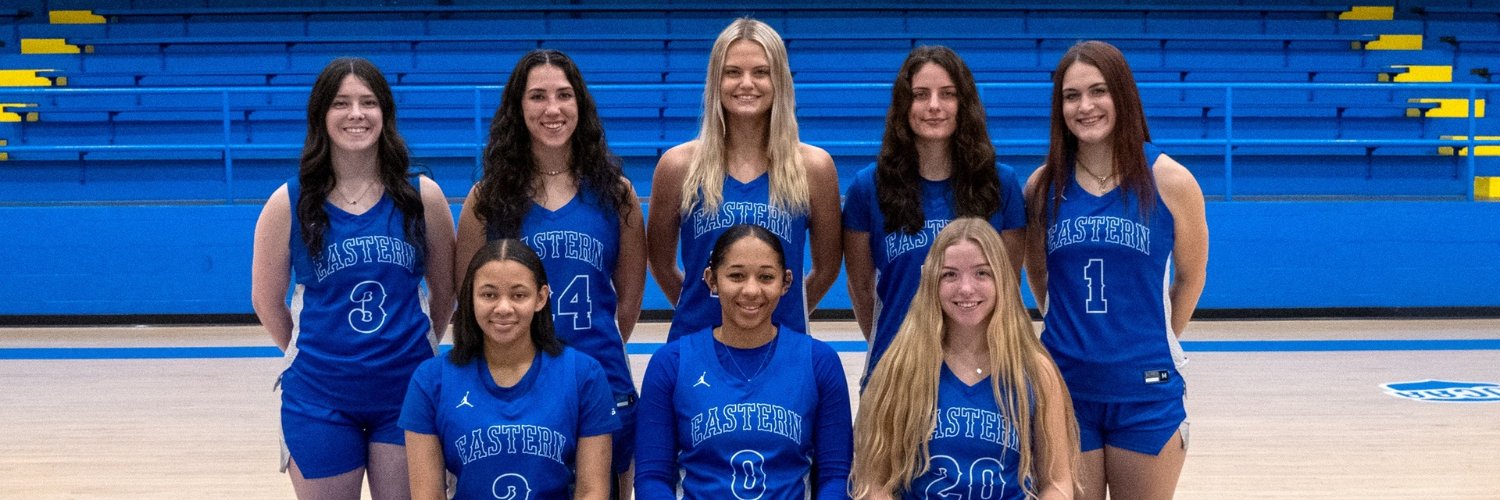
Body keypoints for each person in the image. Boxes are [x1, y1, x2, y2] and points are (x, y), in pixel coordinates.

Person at [250, 57, 456, 499]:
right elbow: (267, 302)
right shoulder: (288, 202)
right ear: (321, 115)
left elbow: (446, 292)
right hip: (318, 396)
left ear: (385, 113)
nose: (356, 114)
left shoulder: (424, 197)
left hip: (406, 389)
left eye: (368, 102)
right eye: (341, 103)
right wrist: (311, 353)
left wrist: (418, 345)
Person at [453, 48, 646, 496]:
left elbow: (629, 301)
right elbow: (469, 305)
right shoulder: (487, 199)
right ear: (518, 108)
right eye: (537, 96)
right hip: (513, 384)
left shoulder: (617, 195)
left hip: (601, 377)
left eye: (563, 95)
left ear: (581, 104)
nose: (552, 109)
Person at [1023, 40, 1209, 500]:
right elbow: (1039, 275)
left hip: (1147, 393)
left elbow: (1190, 277)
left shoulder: (1171, 181)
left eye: (1098, 91)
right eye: (1071, 96)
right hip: (1065, 388)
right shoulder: (1042, 186)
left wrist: (1155, 336)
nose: (1085, 106)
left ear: (1122, 95)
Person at [851, 218, 1079, 499]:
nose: (966, 288)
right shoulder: (900, 367)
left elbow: (1057, 484)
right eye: (950, 275)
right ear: (931, 282)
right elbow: (874, 484)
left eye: (982, 273)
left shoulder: (1035, 370)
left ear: (1002, 280)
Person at [646, 17, 842, 341]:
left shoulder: (814, 168)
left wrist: (777, 309)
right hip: (696, 345)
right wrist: (706, 306)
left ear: (779, 80)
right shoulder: (677, 166)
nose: (746, 83)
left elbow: (827, 270)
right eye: (733, 72)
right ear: (715, 81)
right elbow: (662, 265)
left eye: (761, 72)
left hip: (783, 345)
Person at [842, 45, 1026, 383]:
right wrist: (900, 346)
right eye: (920, 95)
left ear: (964, 104)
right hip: (895, 368)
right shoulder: (868, 187)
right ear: (903, 106)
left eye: (948, 94)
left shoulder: (1002, 184)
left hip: (979, 371)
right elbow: (861, 289)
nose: (934, 106)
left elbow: (1006, 286)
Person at [634, 224, 852, 498]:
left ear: (786, 282)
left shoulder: (821, 363)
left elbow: (835, 477)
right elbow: (652, 479)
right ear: (711, 280)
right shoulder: (670, 364)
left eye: (766, 277)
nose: (751, 290)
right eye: (736, 276)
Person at [401, 239, 618, 499]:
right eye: (489, 294)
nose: (503, 308)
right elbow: (428, 495)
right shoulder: (430, 380)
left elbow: (592, 491)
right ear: (470, 297)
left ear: (541, 297)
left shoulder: (584, 375)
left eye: (519, 295)